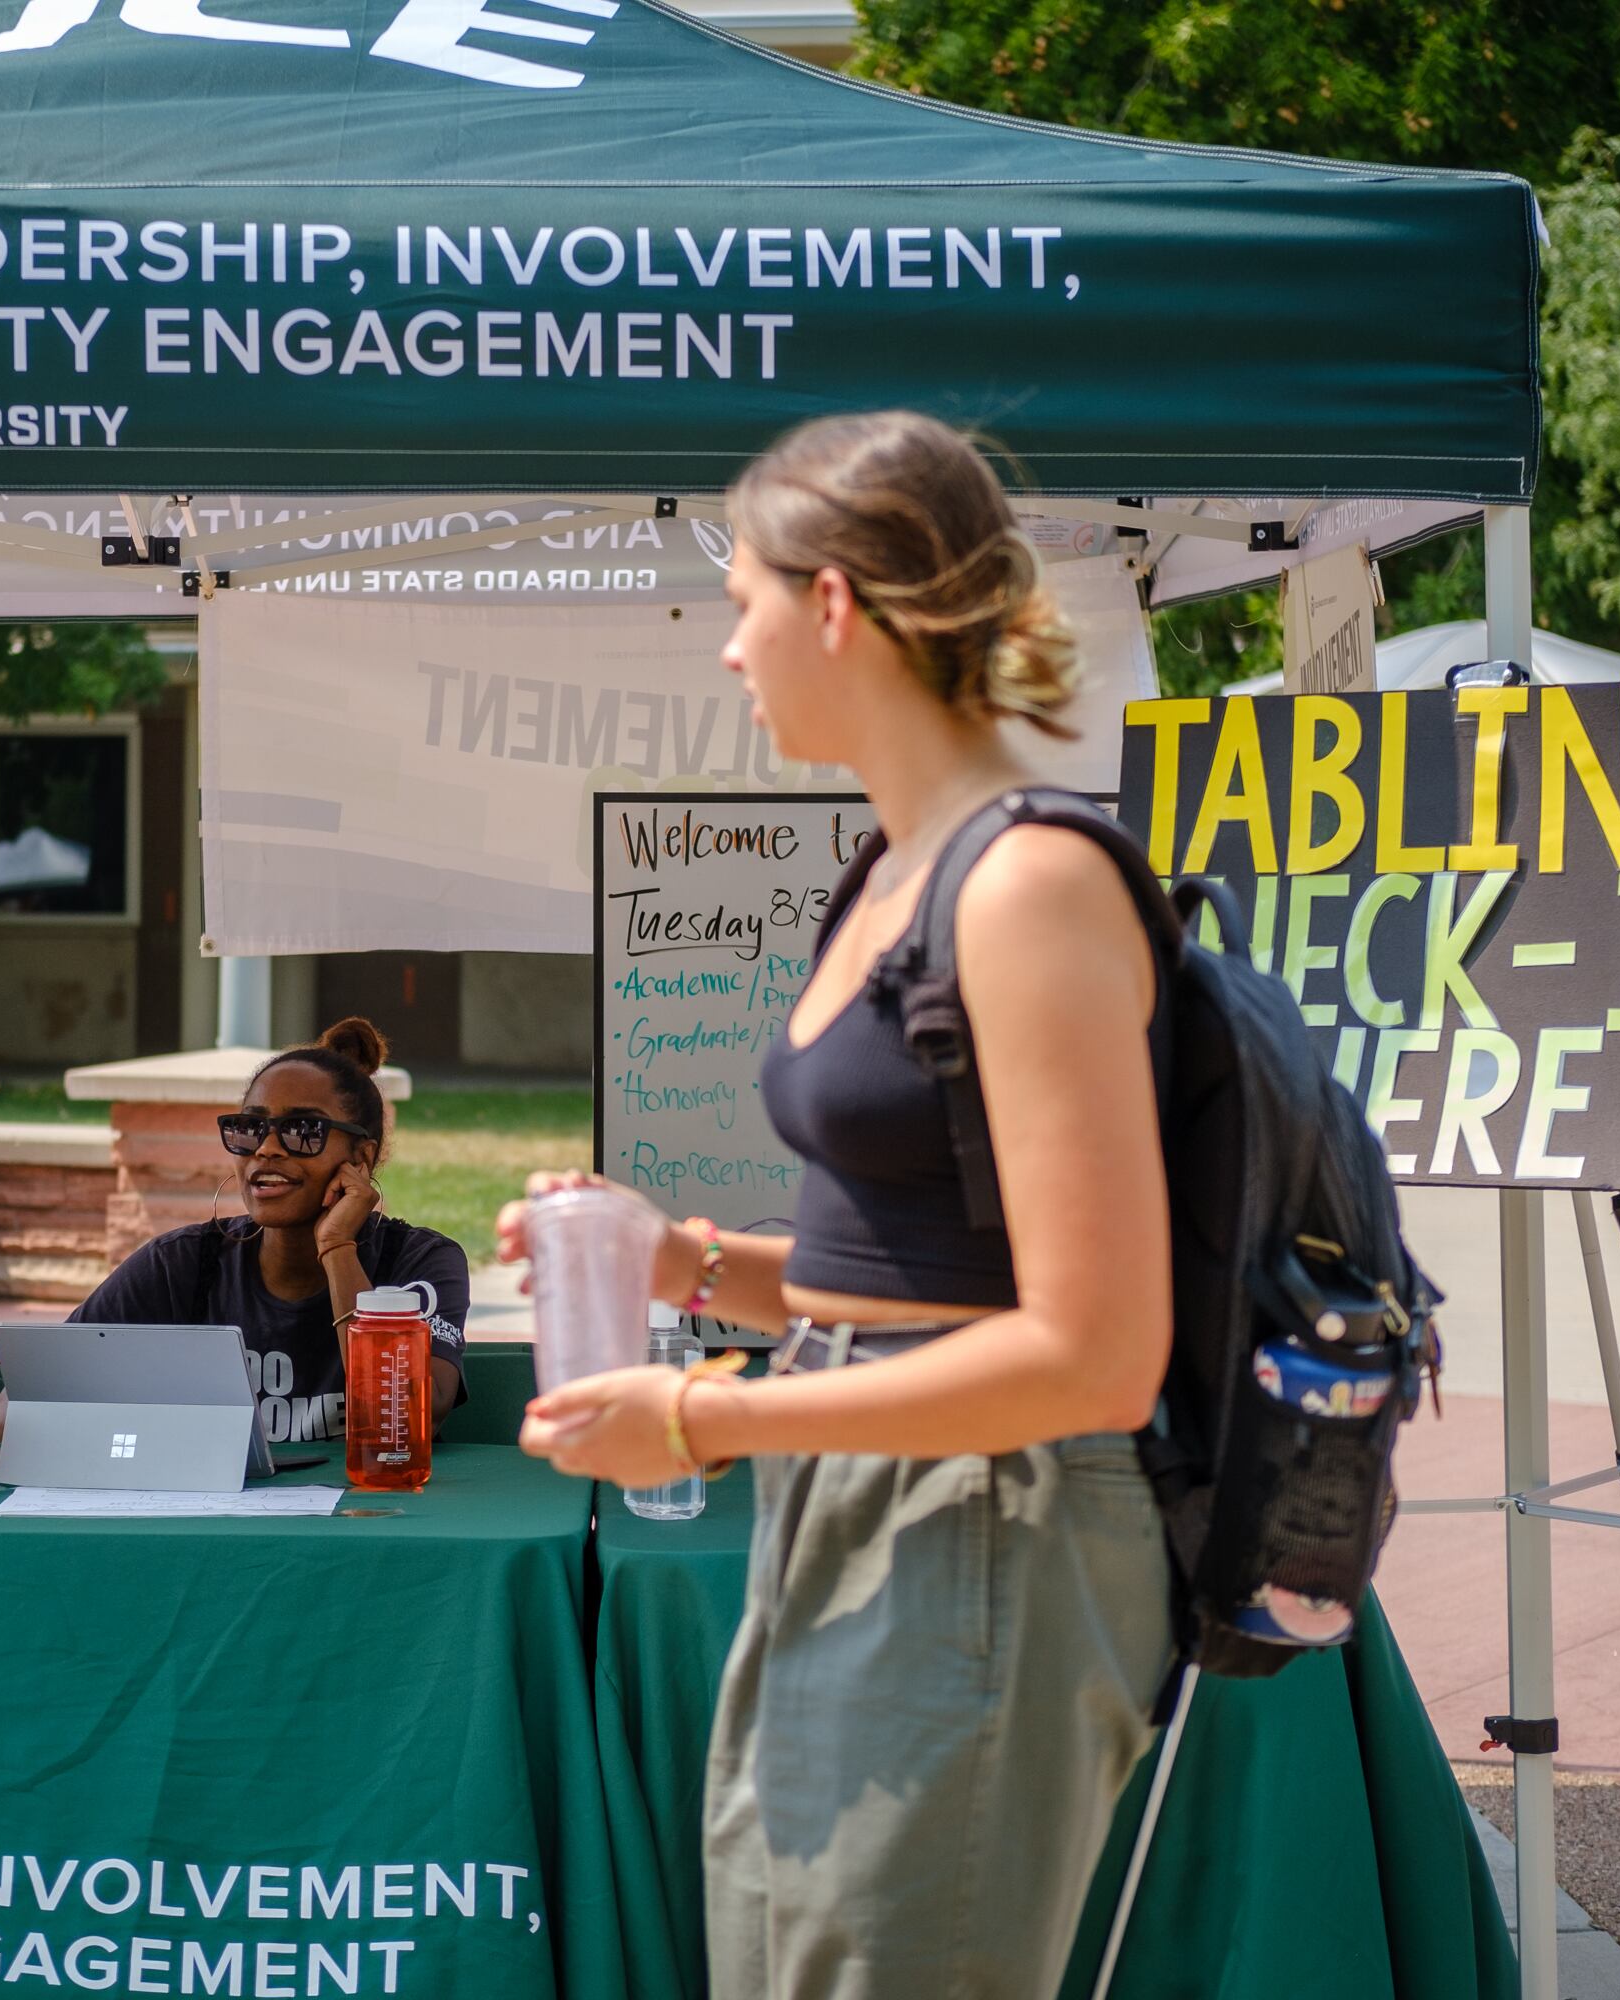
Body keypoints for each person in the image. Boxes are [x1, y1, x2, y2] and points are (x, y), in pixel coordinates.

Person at [503, 411, 1175, 1999]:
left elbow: (1095, 1353)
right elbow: (911, 1270)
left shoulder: (1027, 883)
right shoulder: (890, 869)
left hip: (987, 1521)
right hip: (857, 1492)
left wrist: (703, 1419)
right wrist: (680, 1258)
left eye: (740, 603)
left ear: (834, 607)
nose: (727, 651)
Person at [0, 1019, 468, 1449]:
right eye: (249, 1128)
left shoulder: (420, 1263)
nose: (268, 1149)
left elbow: (405, 1420)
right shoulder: (183, 1266)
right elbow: (8, 1420)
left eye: (304, 1130)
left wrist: (338, 1247)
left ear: (360, 1158)